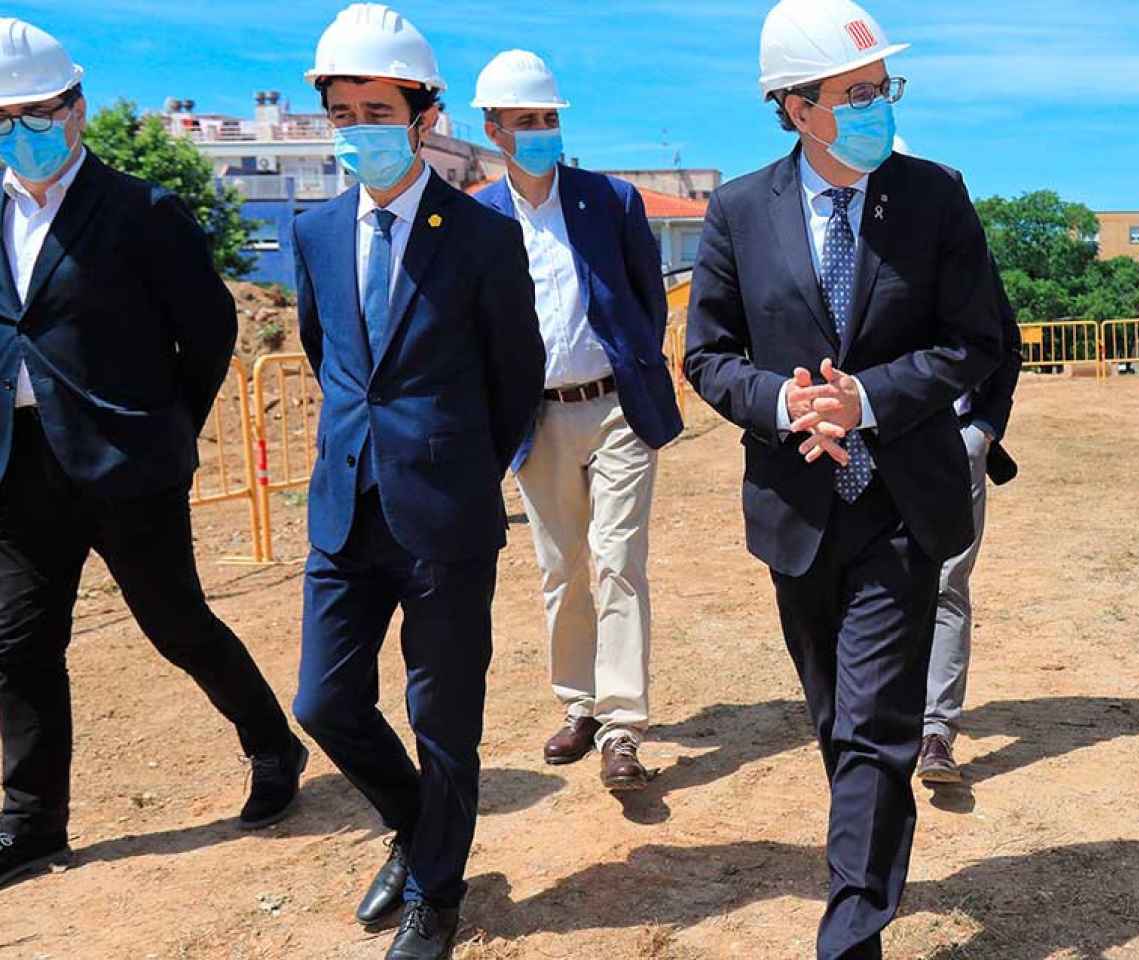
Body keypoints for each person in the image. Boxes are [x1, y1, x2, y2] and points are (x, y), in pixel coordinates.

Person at [684, 1, 1002, 954]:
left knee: (873, 726)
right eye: (854, 93)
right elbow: (707, 355)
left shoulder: (936, 195)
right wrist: (787, 405)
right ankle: (868, 845)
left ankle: (850, 932)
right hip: (797, 508)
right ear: (793, 107)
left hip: (903, 503)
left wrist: (864, 400)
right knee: (836, 720)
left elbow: (974, 341)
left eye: (880, 90)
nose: (876, 108)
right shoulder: (740, 209)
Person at [0, 16, 306, 889]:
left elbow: (207, 333)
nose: (21, 131)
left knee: (175, 625)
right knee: (16, 645)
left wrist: (166, 427)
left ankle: (272, 744)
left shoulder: (142, 209)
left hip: (126, 463)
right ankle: (33, 822)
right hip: (19, 466)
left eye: (37, 111)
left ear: (76, 109)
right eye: (3, 116)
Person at [288, 6, 544, 958]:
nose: (360, 128)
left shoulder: (479, 238)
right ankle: (416, 826)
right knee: (324, 702)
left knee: (444, 718)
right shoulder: (313, 232)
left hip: (444, 516)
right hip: (343, 507)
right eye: (342, 111)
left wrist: (459, 471)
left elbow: (514, 378)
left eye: (377, 108)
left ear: (423, 111)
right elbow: (329, 358)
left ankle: (440, 889)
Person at [470, 50, 684, 793]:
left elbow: (646, 299)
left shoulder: (611, 200)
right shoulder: (478, 218)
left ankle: (623, 725)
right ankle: (580, 704)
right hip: (537, 418)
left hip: (619, 406)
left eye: (548, 120)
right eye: (524, 122)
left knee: (616, 559)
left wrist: (635, 368)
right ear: (493, 129)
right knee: (561, 569)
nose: (539, 133)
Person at [888, 137, 1023, 787]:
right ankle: (882, 717)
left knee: (944, 583)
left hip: (954, 443)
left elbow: (1007, 342)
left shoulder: (966, 262)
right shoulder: (838, 266)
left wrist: (984, 431)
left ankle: (937, 730)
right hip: (869, 449)